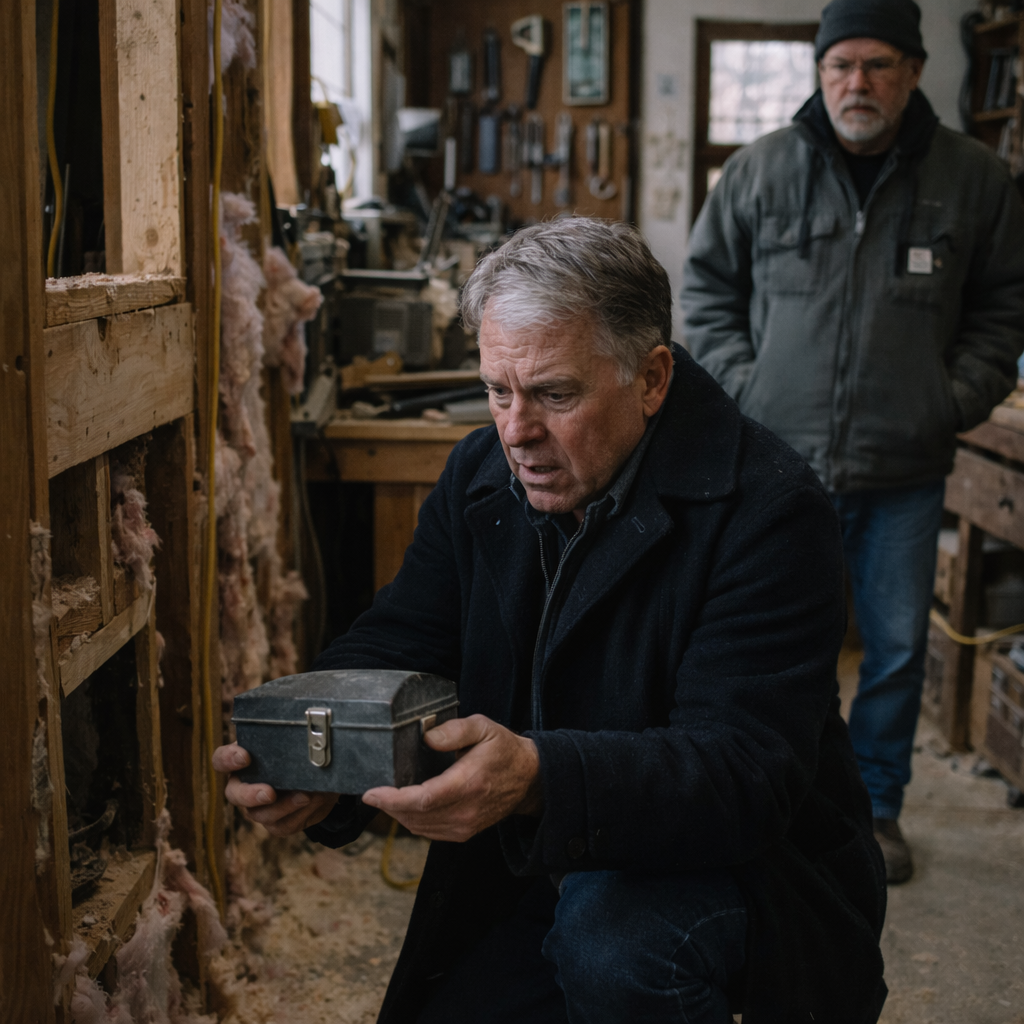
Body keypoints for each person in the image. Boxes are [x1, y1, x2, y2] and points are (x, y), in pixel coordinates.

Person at [215, 219, 888, 1023]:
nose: (515, 431)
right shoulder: (480, 474)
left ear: (651, 378)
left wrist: (538, 777)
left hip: (735, 867)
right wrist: (327, 767)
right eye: (497, 389)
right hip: (541, 855)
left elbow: (742, 773)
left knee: (614, 948)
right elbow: (401, 640)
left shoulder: (770, 510)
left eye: (554, 395)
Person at [681, 0, 1024, 884]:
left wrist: (951, 399)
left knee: (897, 648)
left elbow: (1003, 309)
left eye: (876, 65)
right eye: (840, 66)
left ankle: (874, 809)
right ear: (819, 72)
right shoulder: (760, 172)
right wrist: (747, 389)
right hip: (775, 466)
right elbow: (708, 291)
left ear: (912, 72)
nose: (856, 83)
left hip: (905, 466)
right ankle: (775, 798)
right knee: (763, 642)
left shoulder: (975, 180)